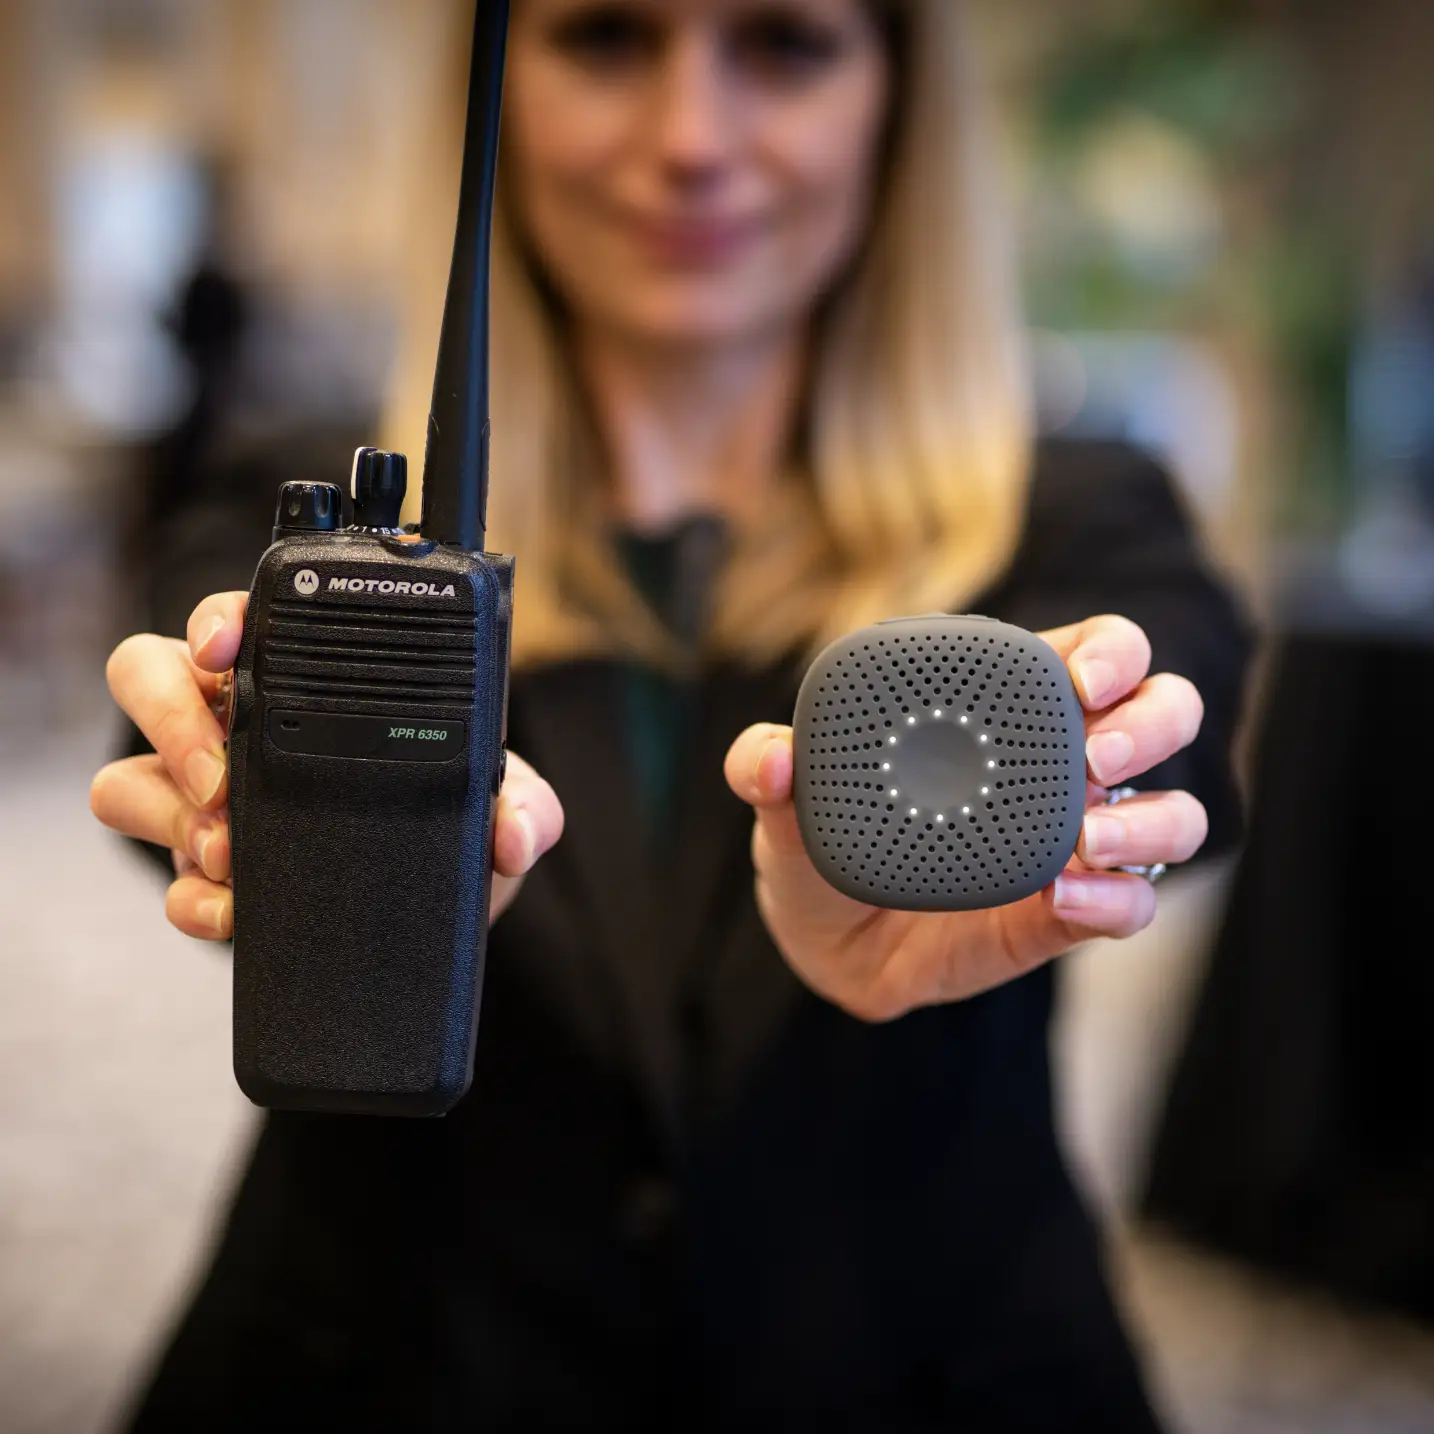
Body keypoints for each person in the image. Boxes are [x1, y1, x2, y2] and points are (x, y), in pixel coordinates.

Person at [88, 1, 1250, 1428]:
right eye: (606, 39)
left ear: (897, 101)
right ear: (495, 97)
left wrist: (1098, 776)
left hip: (931, 1364)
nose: (690, 140)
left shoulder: (1080, 514)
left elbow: (1179, 730)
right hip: (388, 1354)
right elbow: (162, 774)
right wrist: (225, 794)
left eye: (783, 45)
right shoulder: (286, 503)